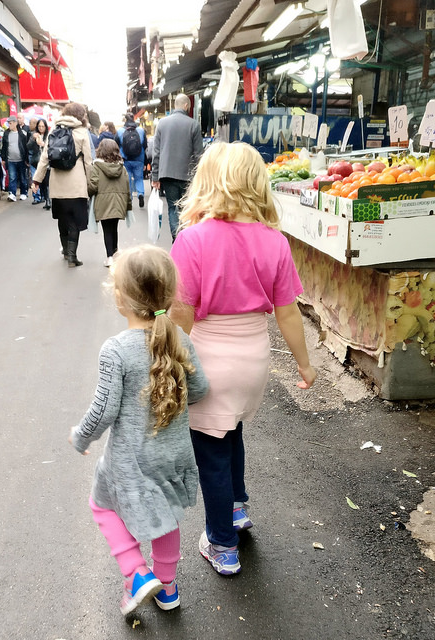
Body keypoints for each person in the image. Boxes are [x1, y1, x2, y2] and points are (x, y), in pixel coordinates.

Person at [169, 141, 316, 576]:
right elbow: (288, 313)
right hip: (253, 358)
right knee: (231, 430)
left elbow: (182, 314)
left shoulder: (192, 240)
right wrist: (305, 364)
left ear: (209, 182)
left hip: (209, 359)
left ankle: (222, 544)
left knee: (211, 450)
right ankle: (236, 508)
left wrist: (168, 364)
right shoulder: (275, 241)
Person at [69, 245, 209, 615]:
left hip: (130, 461)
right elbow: (199, 390)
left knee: (101, 506)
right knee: (166, 517)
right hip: (174, 455)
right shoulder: (180, 338)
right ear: (169, 294)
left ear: (121, 298)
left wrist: (80, 436)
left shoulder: (116, 350)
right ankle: (167, 589)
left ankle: (135, 572)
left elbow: (103, 411)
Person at [32, 102, 92, 267]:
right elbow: (88, 162)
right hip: (76, 185)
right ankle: (72, 256)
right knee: (74, 221)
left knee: (62, 219)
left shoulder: (54, 130)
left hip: (57, 184)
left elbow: (44, 158)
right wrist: (91, 184)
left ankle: (65, 251)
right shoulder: (82, 132)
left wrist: (36, 180)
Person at [151, 94, 203, 241]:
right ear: (186, 106)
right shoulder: (194, 124)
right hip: (188, 175)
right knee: (187, 207)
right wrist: (201, 176)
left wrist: (155, 176)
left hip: (167, 174)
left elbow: (156, 152)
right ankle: (185, 238)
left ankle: (177, 237)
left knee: (173, 207)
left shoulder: (162, 123)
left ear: (175, 105)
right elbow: (199, 154)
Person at [88, 139, 131, 267]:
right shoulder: (121, 167)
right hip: (119, 202)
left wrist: (88, 192)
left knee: (107, 230)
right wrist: (128, 205)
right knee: (114, 228)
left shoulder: (96, 166)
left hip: (103, 203)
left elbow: (93, 186)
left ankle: (110, 257)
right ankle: (115, 253)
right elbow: (127, 187)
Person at [116, 113, 147, 208]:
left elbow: (116, 145)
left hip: (126, 159)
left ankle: (129, 198)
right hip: (139, 159)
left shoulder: (120, 131)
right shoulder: (141, 130)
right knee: (139, 178)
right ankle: (140, 194)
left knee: (127, 179)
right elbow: (145, 145)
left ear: (125, 120)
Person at [0, 115, 29, 202]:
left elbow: (25, 147)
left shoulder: (22, 134)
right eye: (9, 123)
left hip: (21, 159)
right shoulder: (6, 133)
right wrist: (3, 159)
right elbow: (4, 147)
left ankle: (23, 193)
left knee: (22, 177)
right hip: (10, 160)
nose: (9, 125)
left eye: (10, 123)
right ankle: (12, 193)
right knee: (12, 177)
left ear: (15, 123)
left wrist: (26, 159)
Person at [28, 118, 51, 210]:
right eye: (39, 126)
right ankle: (44, 198)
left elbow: (51, 147)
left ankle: (48, 200)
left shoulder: (49, 136)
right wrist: (33, 139)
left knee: (47, 182)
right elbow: (28, 146)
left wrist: (43, 144)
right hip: (37, 162)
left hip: (47, 162)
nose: (41, 128)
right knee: (41, 182)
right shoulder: (34, 135)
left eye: (43, 126)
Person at [27, 116, 41, 204]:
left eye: (30, 123)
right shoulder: (31, 133)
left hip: (38, 158)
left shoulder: (38, 134)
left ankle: (39, 196)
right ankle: (37, 196)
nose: (29, 125)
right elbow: (28, 146)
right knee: (35, 177)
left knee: (37, 177)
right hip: (33, 158)